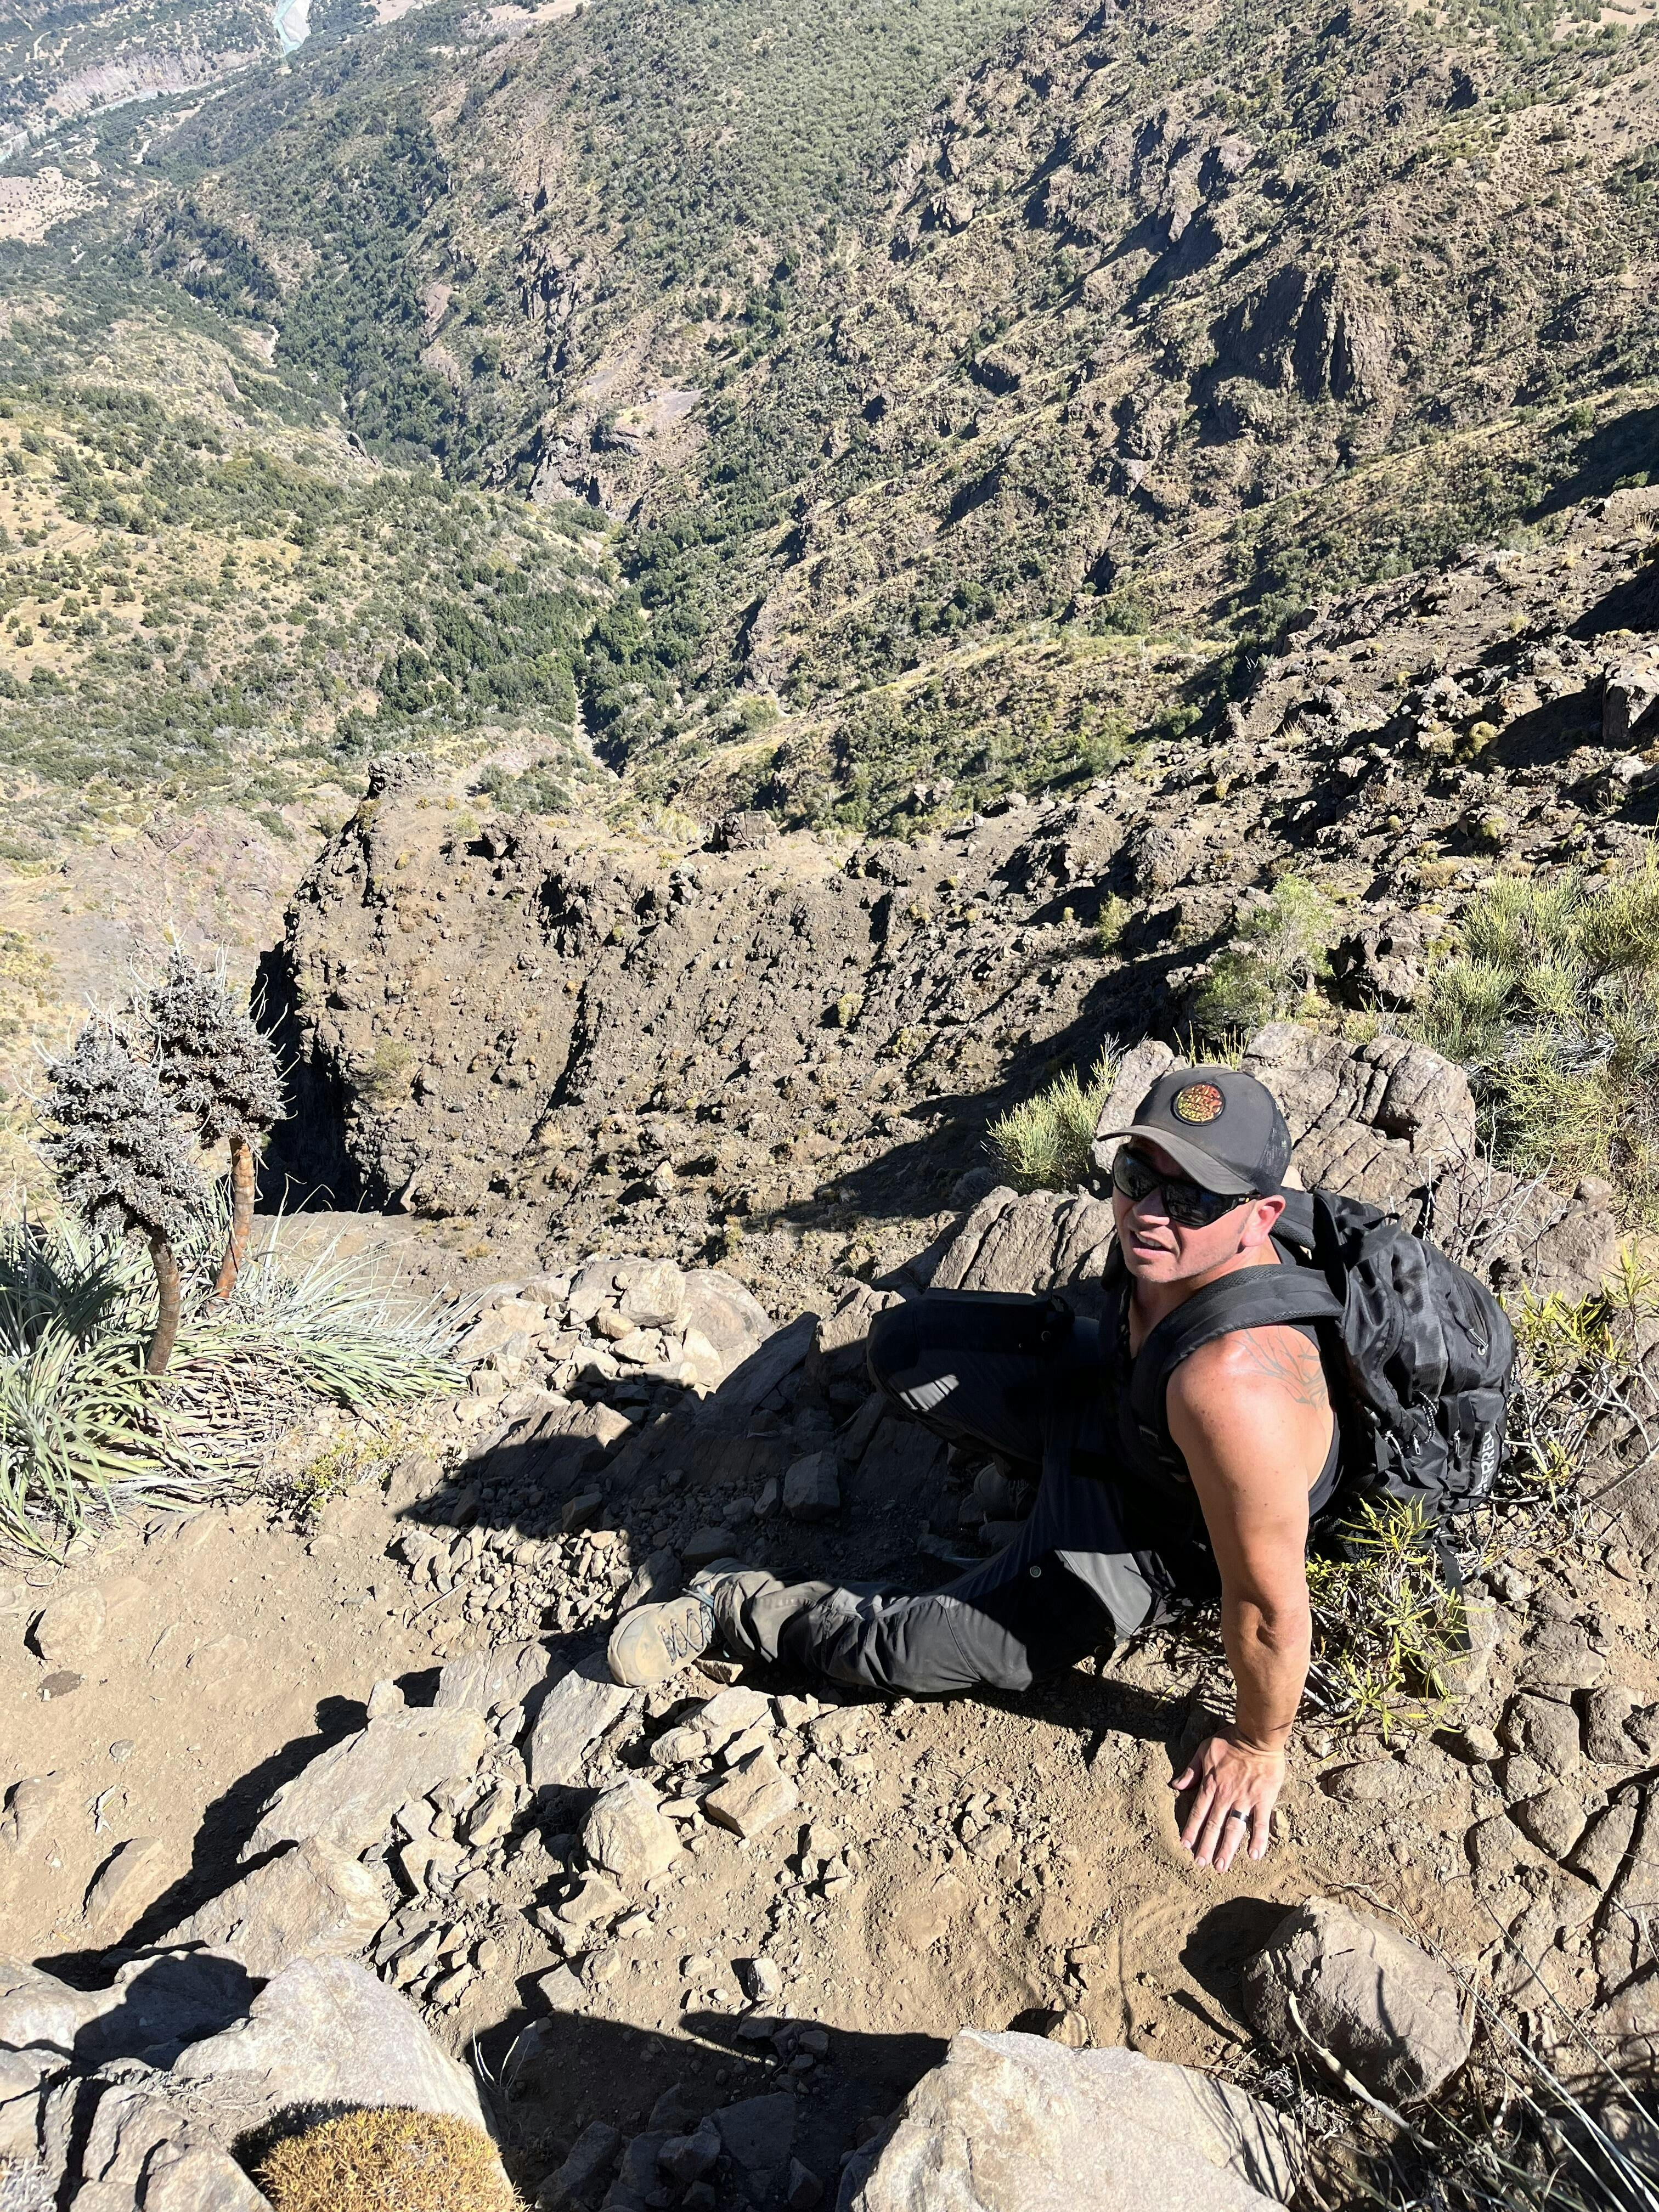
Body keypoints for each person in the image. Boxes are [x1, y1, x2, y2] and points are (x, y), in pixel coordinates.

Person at [607, 1064, 1342, 1877]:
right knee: (907, 1346)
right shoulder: (1167, 1248)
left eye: (1193, 1199)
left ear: (1261, 1217)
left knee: (904, 1649)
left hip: (1144, 1535)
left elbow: (1269, 1608)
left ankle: (733, 1606)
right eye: (1137, 1175)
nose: (1149, 1213)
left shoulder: (1236, 1388)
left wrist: (1257, 1742)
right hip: (1118, 1405)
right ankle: (1035, 1480)